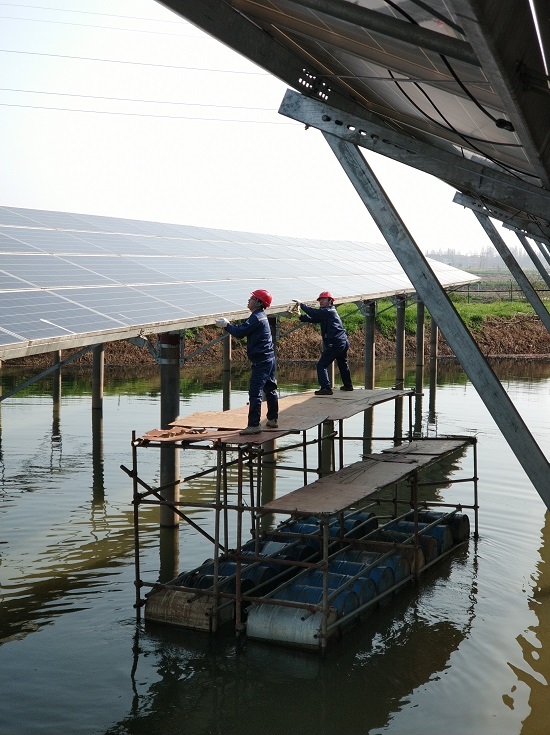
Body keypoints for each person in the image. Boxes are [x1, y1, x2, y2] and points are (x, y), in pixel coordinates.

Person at [215, 289, 279, 434]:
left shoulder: (256, 317)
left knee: (255, 393)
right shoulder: (261, 316)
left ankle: (254, 425)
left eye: (252, 298)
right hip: (269, 358)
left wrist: (226, 325)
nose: (249, 300)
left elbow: (239, 333)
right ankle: (272, 419)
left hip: (261, 361)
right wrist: (229, 325)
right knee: (270, 389)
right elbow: (243, 329)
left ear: (259, 302)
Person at [295, 291, 353, 395]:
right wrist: (300, 316)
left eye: (323, 299)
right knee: (342, 364)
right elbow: (314, 318)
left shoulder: (328, 311)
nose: (321, 302)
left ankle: (326, 388)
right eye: (320, 300)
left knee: (321, 365)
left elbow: (314, 313)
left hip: (336, 343)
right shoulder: (328, 312)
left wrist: (302, 305)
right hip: (342, 342)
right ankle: (348, 386)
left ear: (330, 301)